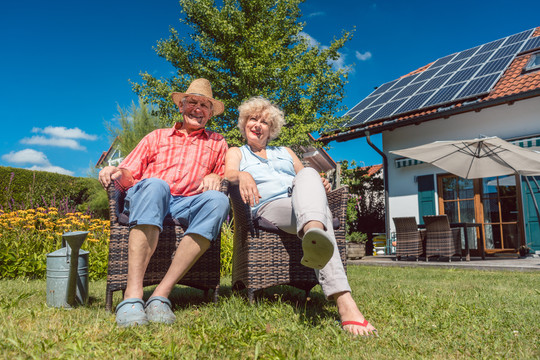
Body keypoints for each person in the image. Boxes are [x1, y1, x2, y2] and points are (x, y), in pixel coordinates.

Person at [224, 96, 377, 336]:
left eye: (264, 121)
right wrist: (242, 175)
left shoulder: (285, 152)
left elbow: (304, 177)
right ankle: (344, 301)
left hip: (301, 206)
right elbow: (228, 173)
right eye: (253, 119)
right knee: (319, 207)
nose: (258, 125)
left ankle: (314, 233)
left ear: (271, 129)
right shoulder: (237, 152)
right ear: (244, 124)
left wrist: (319, 183)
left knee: (309, 175)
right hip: (269, 207)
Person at [98, 78, 230, 327]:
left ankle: (161, 294)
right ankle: (132, 296)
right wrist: (115, 171)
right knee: (158, 184)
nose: (198, 109)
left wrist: (216, 175)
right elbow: (130, 173)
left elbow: (225, 174)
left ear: (210, 113)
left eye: (205, 105)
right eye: (193, 102)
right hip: (150, 197)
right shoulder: (156, 137)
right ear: (181, 105)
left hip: (188, 204)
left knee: (218, 200)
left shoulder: (218, 142)